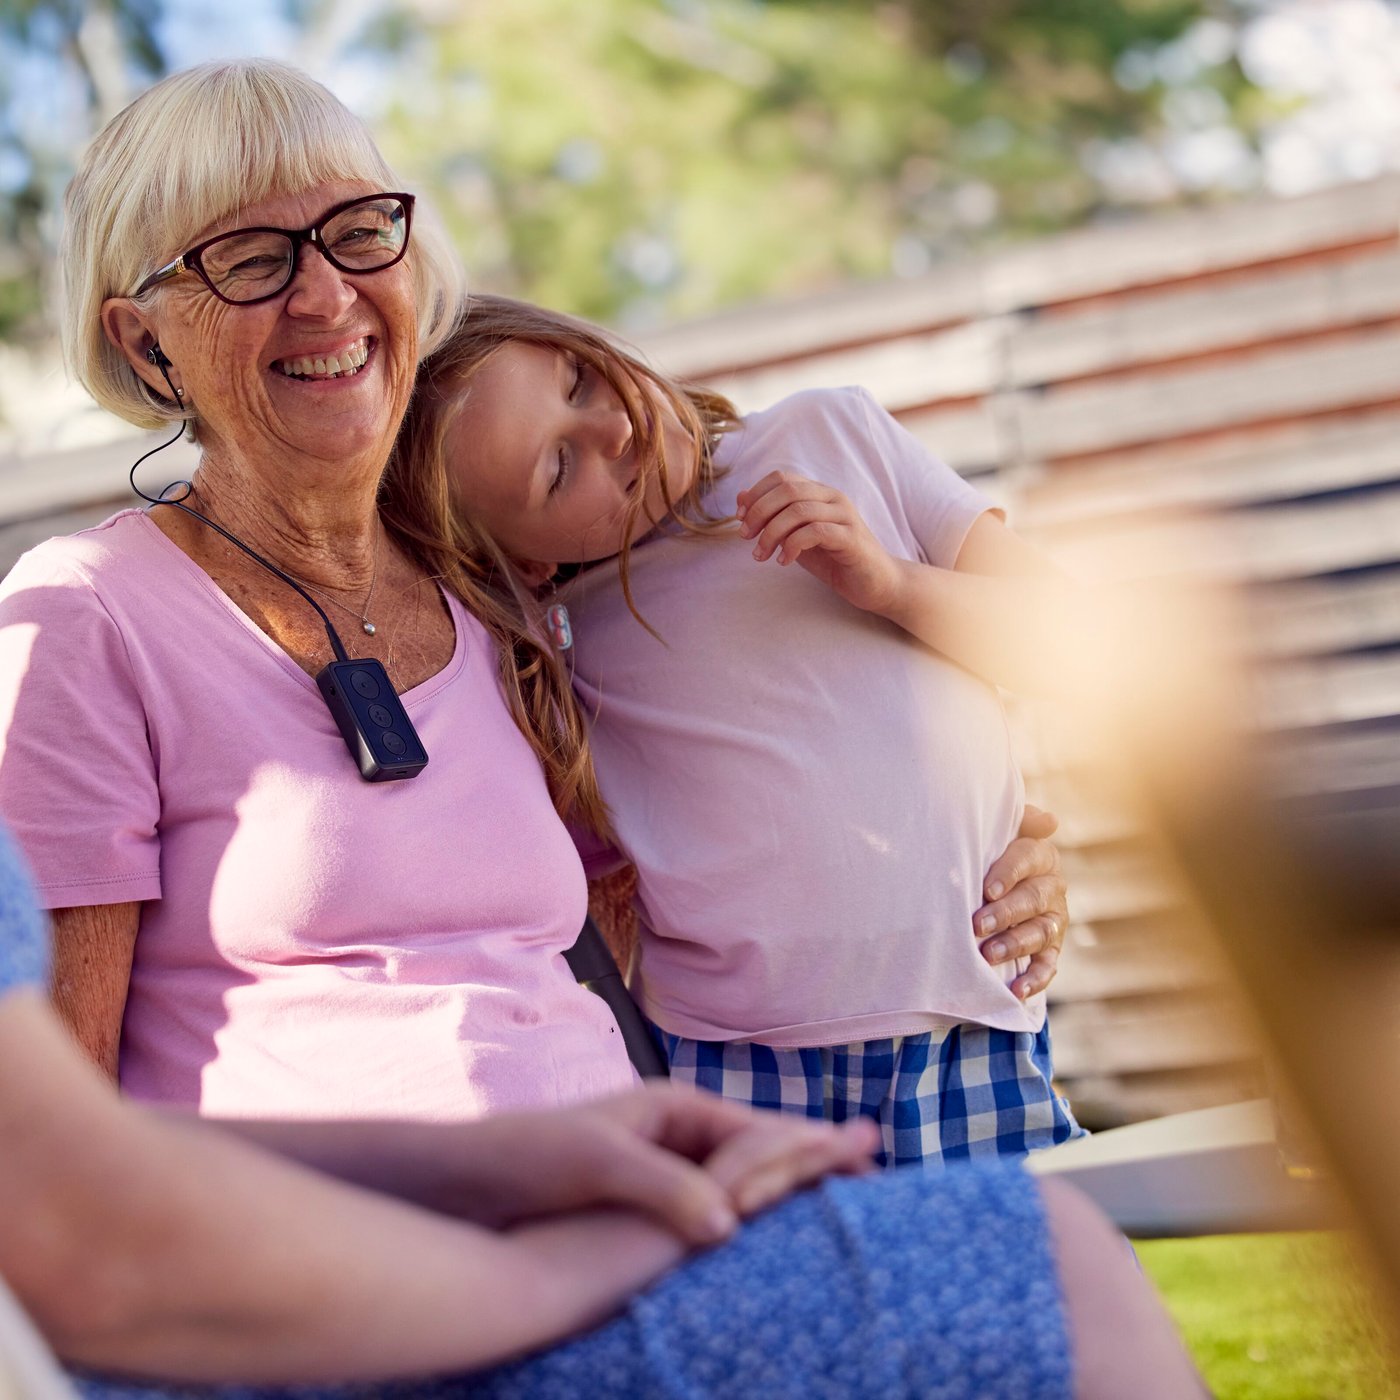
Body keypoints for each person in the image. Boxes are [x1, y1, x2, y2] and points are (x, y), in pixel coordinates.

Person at [0, 58, 1066, 1125]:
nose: (324, 294)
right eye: (249, 260)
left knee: (1063, 1227)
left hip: (639, 1179)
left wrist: (978, 849)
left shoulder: (500, 614)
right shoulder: (85, 615)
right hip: (362, 1218)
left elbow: (735, 826)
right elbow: (50, 1125)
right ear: (144, 343)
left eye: (359, 233)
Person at [0, 820, 1205, 1398]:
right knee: (1039, 1266)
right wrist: (553, 1262)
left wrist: (503, 1163)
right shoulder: (88, 609)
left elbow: (63, 1145)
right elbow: (85, 1238)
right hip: (277, 1320)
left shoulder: (485, 615)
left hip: (408, 1237)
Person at [389, 294, 1080, 1164]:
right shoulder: (553, 645)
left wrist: (892, 585)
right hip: (736, 1068)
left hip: (966, 1025)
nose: (614, 431)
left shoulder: (834, 433)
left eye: (579, 380)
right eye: (559, 469)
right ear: (524, 559)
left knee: (1034, 1251)